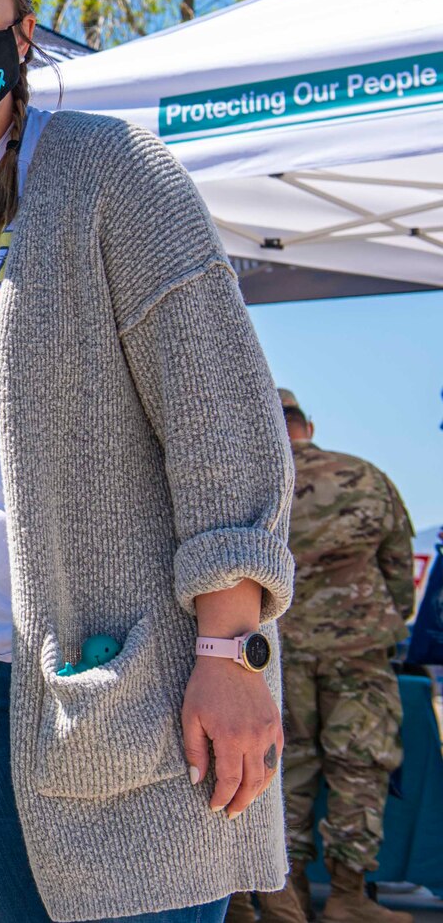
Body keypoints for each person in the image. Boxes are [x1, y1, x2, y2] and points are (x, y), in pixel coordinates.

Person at [0, 0, 293, 922]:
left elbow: (220, 423)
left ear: (21, 36)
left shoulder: (107, 173)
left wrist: (230, 654)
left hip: (129, 677)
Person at [265, 389, 413, 923]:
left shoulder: (257, 485)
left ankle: (288, 896)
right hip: (359, 651)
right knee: (360, 766)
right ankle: (350, 897)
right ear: (307, 424)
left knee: (285, 769)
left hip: (278, 654)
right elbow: (399, 571)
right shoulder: (365, 476)